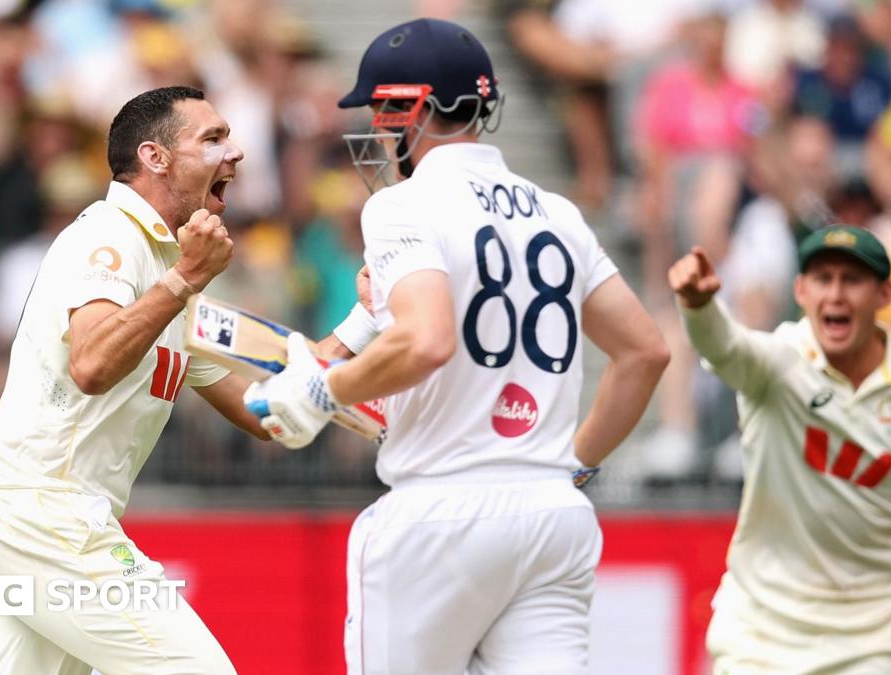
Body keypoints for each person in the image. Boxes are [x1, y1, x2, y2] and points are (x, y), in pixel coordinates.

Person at [243, 18, 671, 674]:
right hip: (552, 515)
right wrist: (573, 466)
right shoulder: (558, 211)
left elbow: (427, 338)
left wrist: (320, 389)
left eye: (383, 111)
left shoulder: (402, 206)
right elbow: (645, 353)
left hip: (439, 513)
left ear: (412, 108)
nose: (378, 133)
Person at [0, 86, 369, 675]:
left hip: (13, 523)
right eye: (213, 139)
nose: (236, 153)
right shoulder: (111, 235)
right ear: (155, 157)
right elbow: (91, 365)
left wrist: (365, 322)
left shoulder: (173, 275)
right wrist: (186, 280)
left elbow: (259, 410)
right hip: (42, 516)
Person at [668, 226, 891, 673]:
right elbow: (724, 346)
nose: (835, 294)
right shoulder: (778, 362)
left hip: (868, 642)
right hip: (759, 635)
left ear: (885, 294)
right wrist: (699, 306)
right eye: (823, 278)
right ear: (800, 291)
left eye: (852, 280)